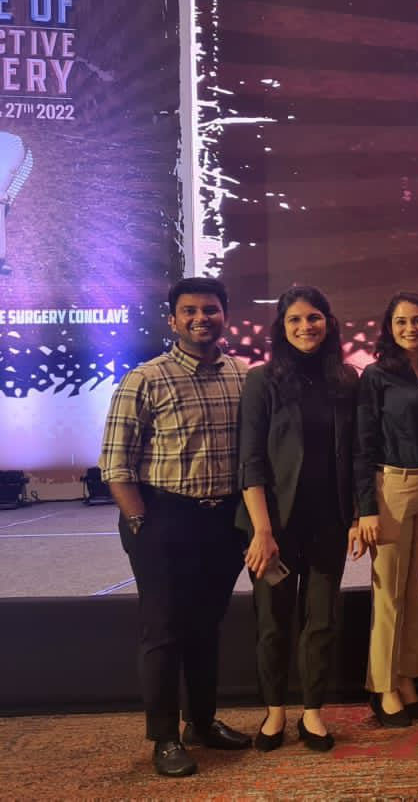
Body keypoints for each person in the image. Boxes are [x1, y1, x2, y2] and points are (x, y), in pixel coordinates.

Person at [99, 277, 252, 777]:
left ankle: (201, 723)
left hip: (224, 522)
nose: (200, 318)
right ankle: (164, 737)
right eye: (190, 311)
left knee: (206, 627)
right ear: (173, 320)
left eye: (210, 309)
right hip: (163, 519)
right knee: (163, 631)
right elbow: (115, 465)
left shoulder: (243, 376)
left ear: (224, 315)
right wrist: (141, 523)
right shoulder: (145, 379)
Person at [237, 286, 359, 753]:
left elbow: (355, 455)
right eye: (295, 320)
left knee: (321, 620)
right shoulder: (262, 381)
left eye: (314, 318)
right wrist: (262, 532)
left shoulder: (346, 379)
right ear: (282, 327)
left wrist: (356, 515)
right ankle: (275, 712)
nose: (306, 327)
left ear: (328, 322)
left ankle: (312, 712)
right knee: (272, 621)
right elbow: (250, 461)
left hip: (328, 523)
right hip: (274, 528)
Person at [353, 292, 418, 728]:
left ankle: (407, 678)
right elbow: (362, 445)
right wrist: (365, 509)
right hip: (391, 487)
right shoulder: (375, 377)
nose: (411, 328)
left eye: (417, 320)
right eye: (401, 322)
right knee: (389, 592)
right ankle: (383, 686)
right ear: (389, 329)